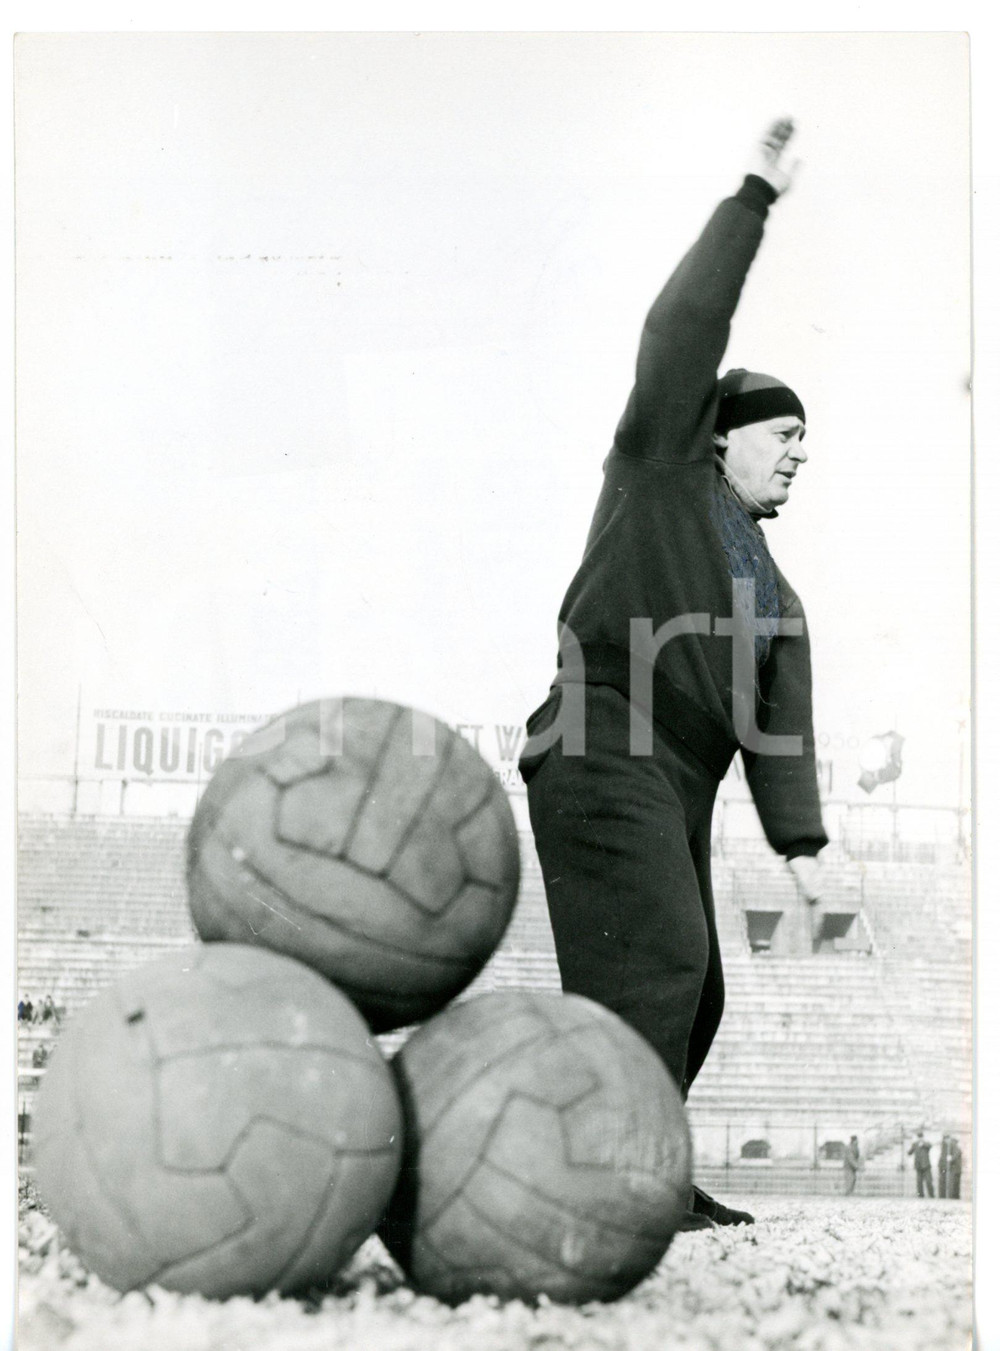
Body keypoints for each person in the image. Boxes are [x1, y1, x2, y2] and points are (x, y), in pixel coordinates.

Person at [519, 118, 826, 1231]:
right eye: (781, 433)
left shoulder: (777, 592)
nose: (796, 451)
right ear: (718, 435)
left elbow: (780, 727)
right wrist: (752, 196)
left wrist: (802, 847)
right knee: (656, 958)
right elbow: (680, 327)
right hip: (604, 739)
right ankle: (597, 1185)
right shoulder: (658, 467)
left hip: (678, 780)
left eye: (806, 443)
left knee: (694, 991)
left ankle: (636, 1167)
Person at [908, 1130, 935, 1197]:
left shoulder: (926, 1143)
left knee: (929, 1181)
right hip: (918, 1165)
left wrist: (923, 1144)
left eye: (921, 1137)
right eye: (919, 1137)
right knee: (919, 1182)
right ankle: (920, 1195)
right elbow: (909, 1152)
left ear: (923, 1137)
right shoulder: (915, 1144)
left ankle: (931, 1195)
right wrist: (912, 1146)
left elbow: (930, 1146)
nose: (920, 1138)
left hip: (926, 1165)